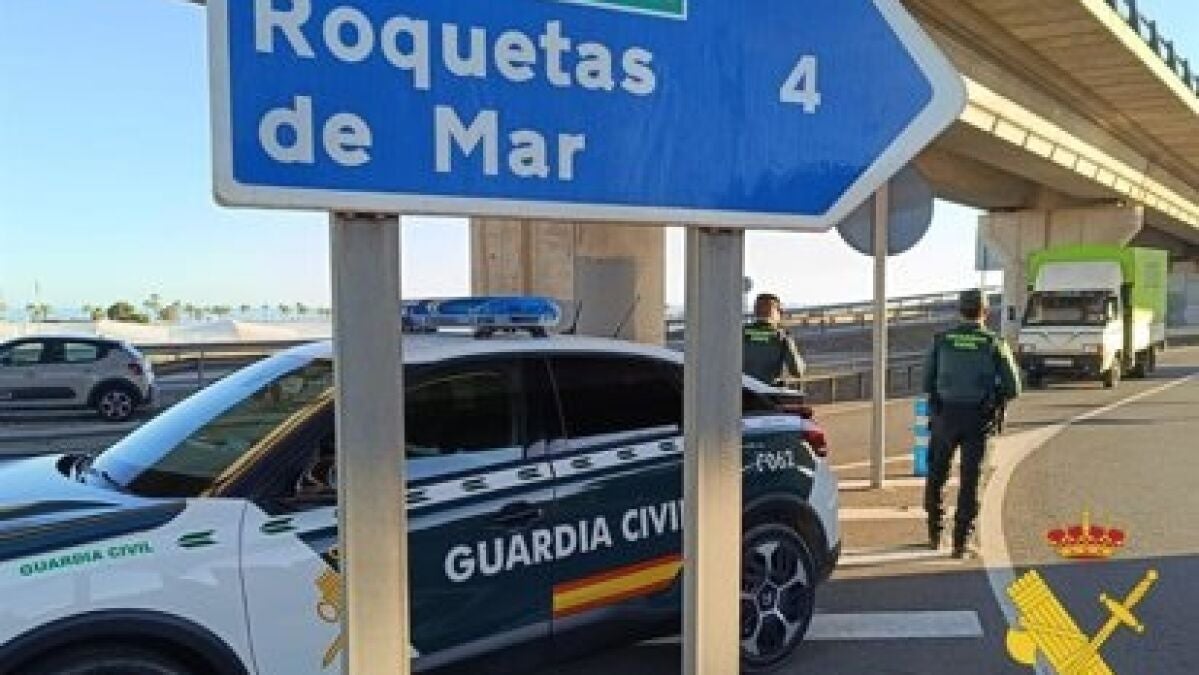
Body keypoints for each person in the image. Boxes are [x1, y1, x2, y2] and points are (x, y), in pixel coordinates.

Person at [923, 289, 1021, 558]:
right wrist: (994, 396)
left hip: (944, 416)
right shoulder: (993, 343)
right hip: (978, 418)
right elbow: (1014, 387)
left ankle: (934, 532)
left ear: (959, 310)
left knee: (937, 473)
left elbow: (926, 382)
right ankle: (961, 543)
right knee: (971, 479)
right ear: (985, 312)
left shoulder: (942, 340)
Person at [743, 293, 806, 385]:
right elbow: (797, 371)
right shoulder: (780, 337)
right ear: (777, 313)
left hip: (741, 390)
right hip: (767, 391)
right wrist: (789, 343)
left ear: (755, 311)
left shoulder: (740, 333)